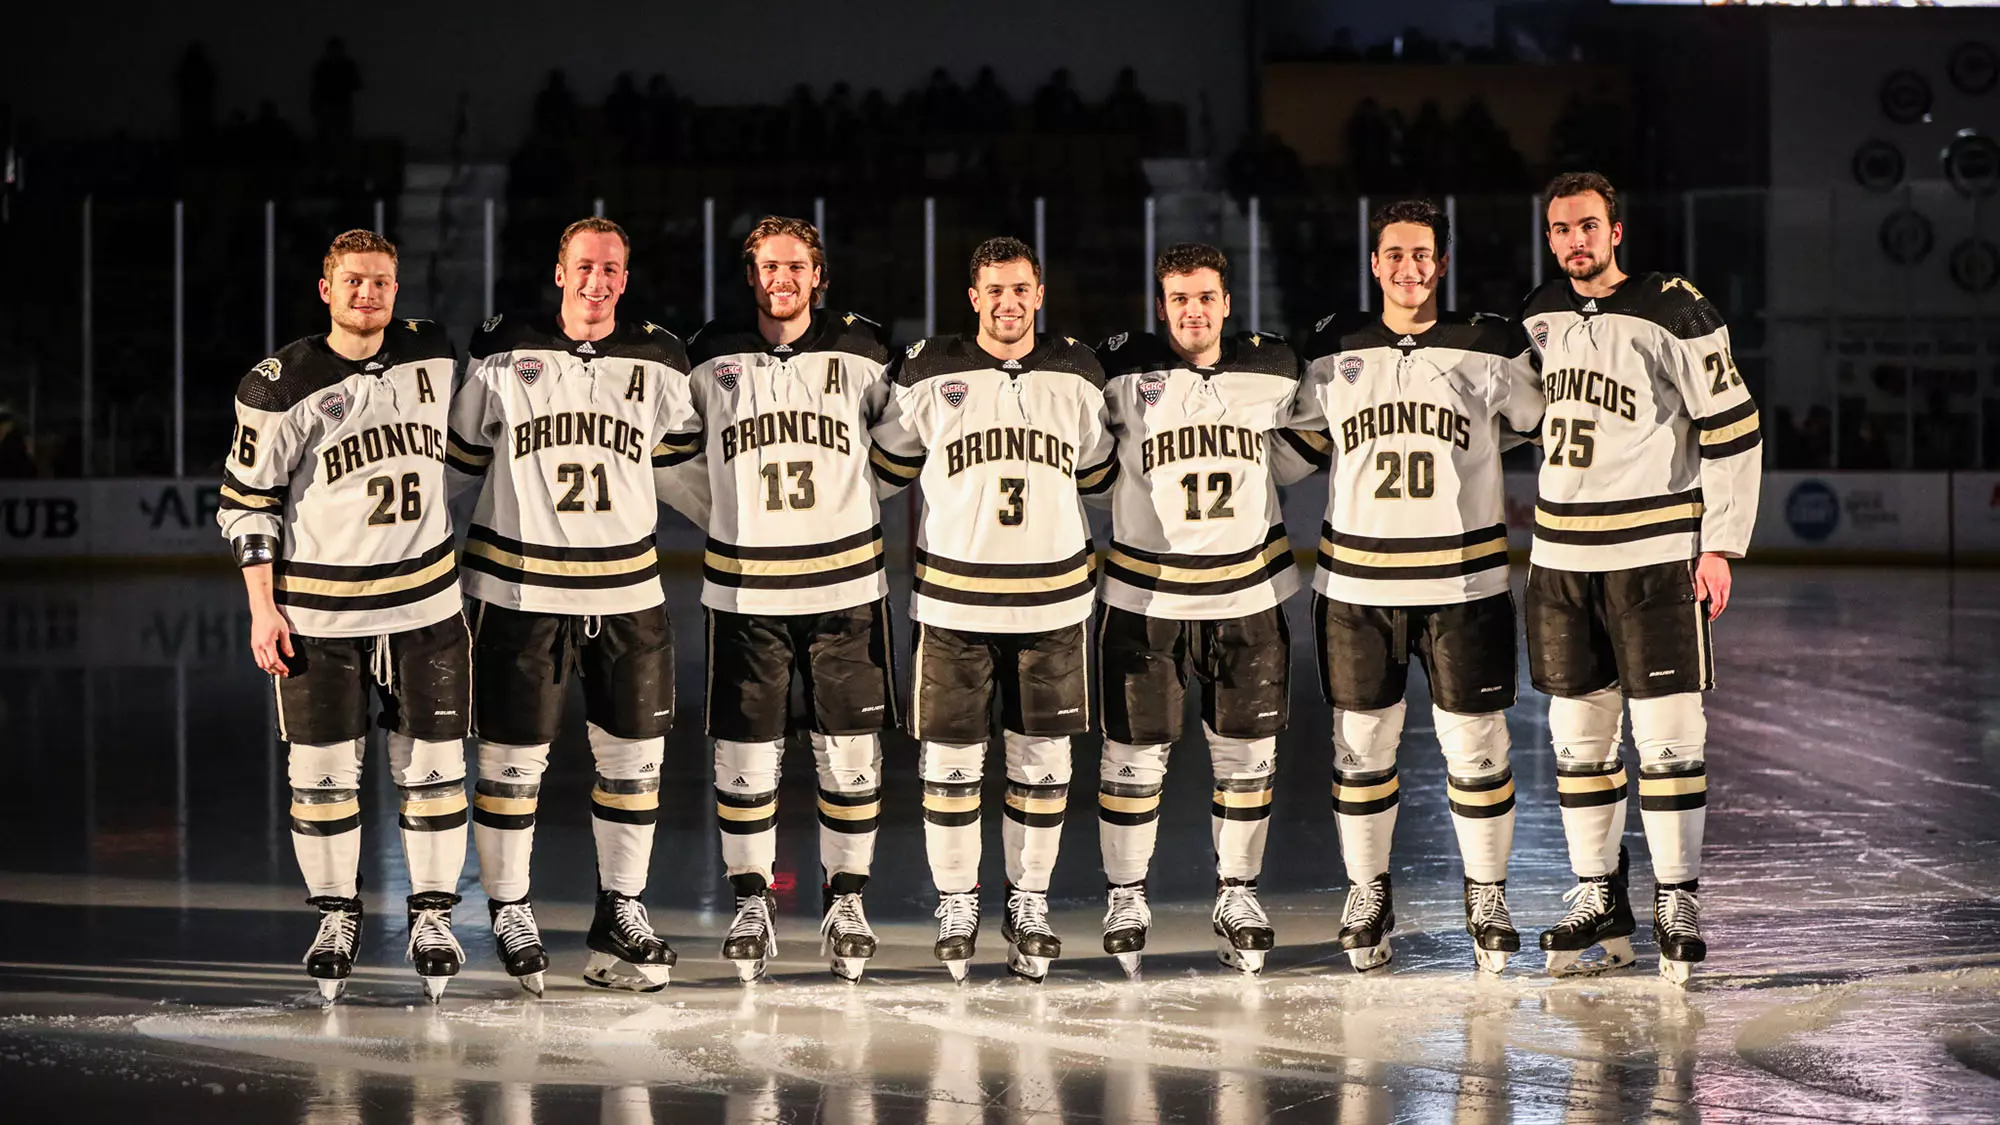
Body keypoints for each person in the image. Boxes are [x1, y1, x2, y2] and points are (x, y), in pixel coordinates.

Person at [1282, 199, 1545, 974]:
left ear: (1442, 262)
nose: (1409, 268)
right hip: (1357, 586)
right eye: (1394, 253)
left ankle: (1487, 893)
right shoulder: (1333, 345)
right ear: (1375, 263)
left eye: (1423, 253)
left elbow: (1542, 423)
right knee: (1362, 747)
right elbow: (1292, 445)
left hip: (1466, 583)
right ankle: (1368, 891)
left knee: (1479, 746)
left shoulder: (1491, 344)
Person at [445, 217, 701, 994]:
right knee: (510, 759)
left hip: (629, 590)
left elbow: (685, 469)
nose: (598, 280)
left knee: (635, 759)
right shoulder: (502, 347)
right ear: (559, 272)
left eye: (612, 268)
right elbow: (456, 462)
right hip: (517, 587)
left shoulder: (661, 357)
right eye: (585, 266)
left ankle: (621, 908)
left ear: (626, 277)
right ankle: (510, 908)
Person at [1519, 172, 1760, 985]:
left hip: (1655, 554)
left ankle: (1677, 898)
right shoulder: (1539, 313)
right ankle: (1600, 895)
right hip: (1561, 558)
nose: (1575, 241)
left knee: (1669, 737)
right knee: (1579, 741)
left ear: (1616, 230)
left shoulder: (1673, 308)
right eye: (1561, 229)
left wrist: (1720, 544)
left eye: (1588, 226)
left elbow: (1733, 426)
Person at [218, 230, 467, 1003]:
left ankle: (433, 915)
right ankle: (335, 915)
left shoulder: (433, 351)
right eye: (354, 281)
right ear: (326, 289)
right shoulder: (279, 384)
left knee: (434, 769)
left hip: (426, 603)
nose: (369, 293)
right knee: (321, 775)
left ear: (398, 288)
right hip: (319, 614)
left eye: (382, 281)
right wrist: (262, 609)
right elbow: (246, 503)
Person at [870, 237, 1116, 982]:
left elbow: (1100, 474)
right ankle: (956, 903)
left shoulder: (1079, 372)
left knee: (1043, 765)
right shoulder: (925, 372)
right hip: (953, 601)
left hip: (1054, 601)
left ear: (1039, 294)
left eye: (1020, 289)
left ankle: (1028, 902)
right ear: (973, 297)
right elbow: (882, 469)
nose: (1008, 302)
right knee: (950, 764)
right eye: (994, 290)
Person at [670, 217, 897, 982]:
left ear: (818, 275)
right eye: (769, 266)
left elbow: (899, 448)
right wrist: (725, 510)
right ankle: (749, 899)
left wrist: (848, 501)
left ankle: (848, 899)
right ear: (751, 275)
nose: (782, 279)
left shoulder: (865, 348)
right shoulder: (708, 353)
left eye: (796, 266)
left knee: (851, 749)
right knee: (745, 750)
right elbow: (668, 451)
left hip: (847, 585)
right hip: (745, 588)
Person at [1091, 243, 1304, 977]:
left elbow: (1305, 440)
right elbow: (1087, 461)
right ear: (1161, 306)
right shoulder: (1119, 373)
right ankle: (1126, 895)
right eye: (1179, 298)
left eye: (1206, 296)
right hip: (1144, 595)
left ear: (1227, 303)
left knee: (1247, 753)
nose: (1193, 311)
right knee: (1134, 754)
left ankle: (1237, 893)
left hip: (1247, 594)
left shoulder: (1271, 368)